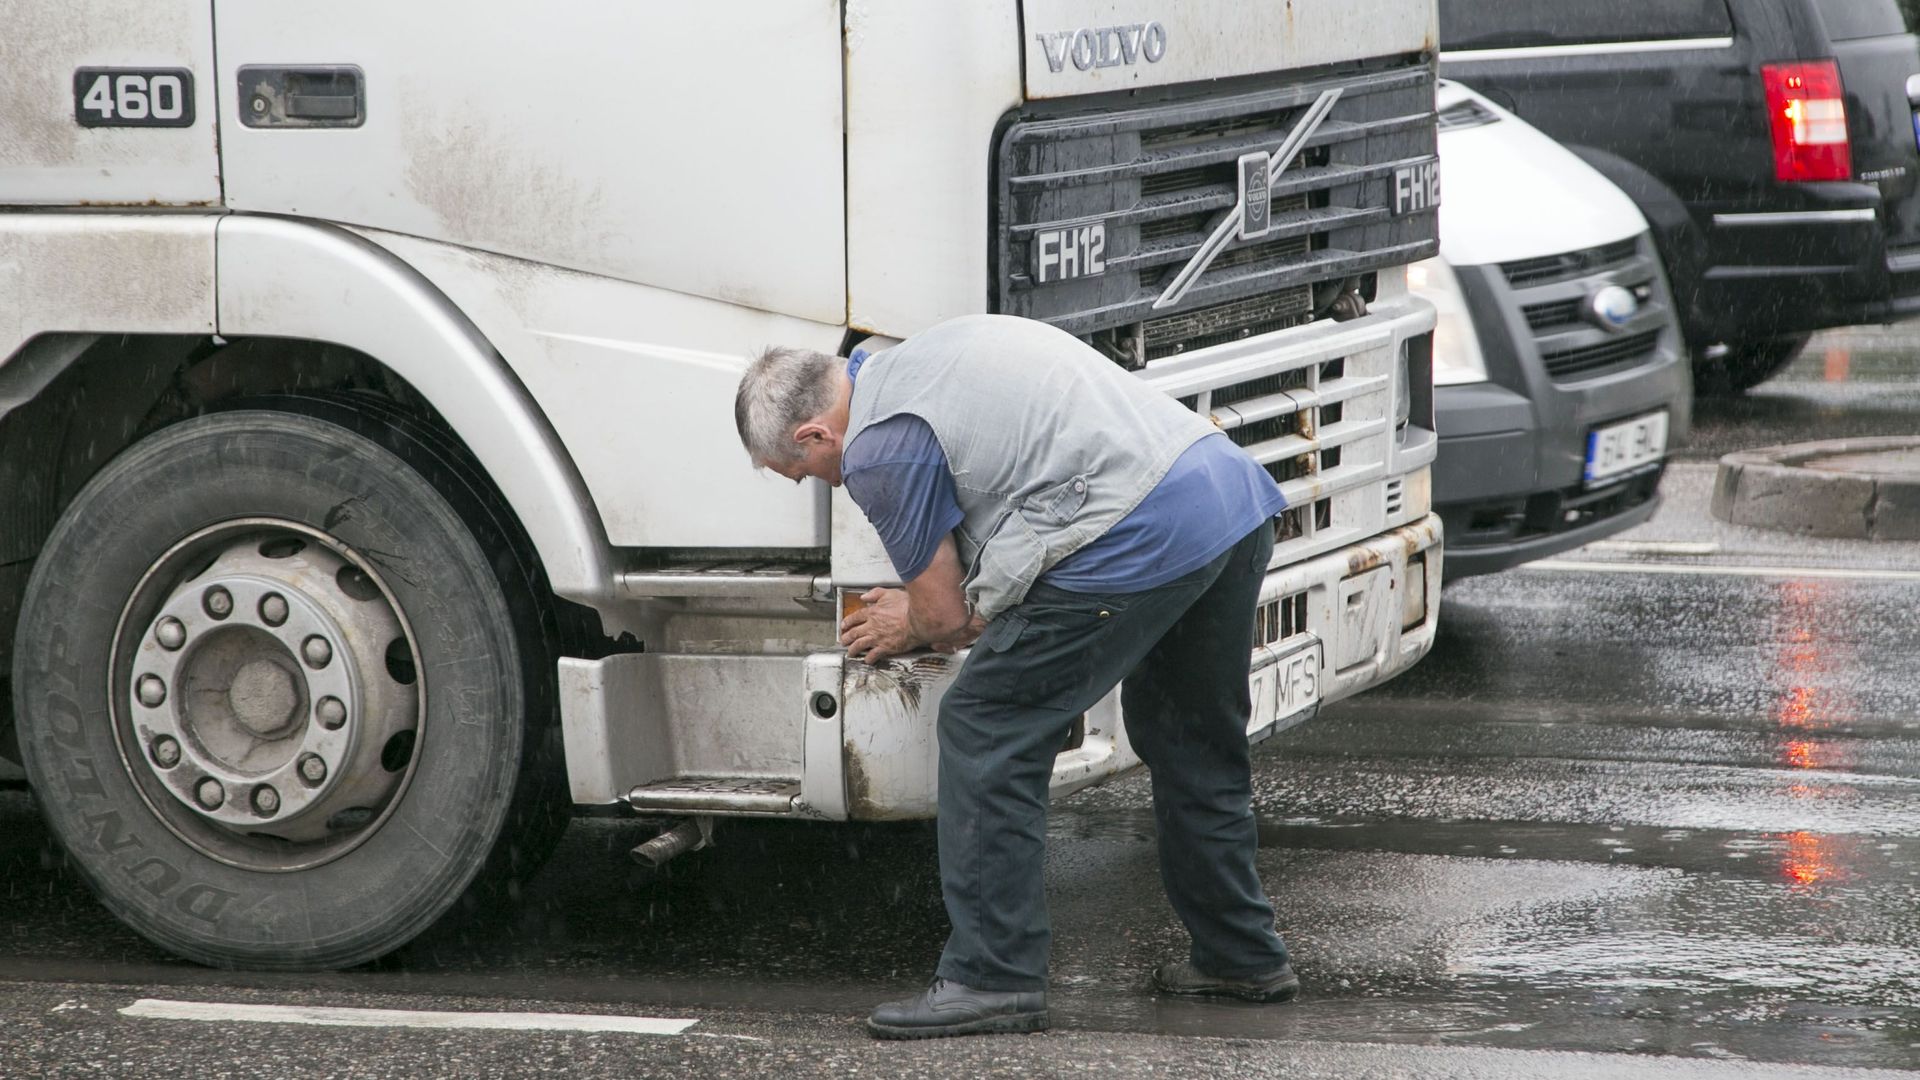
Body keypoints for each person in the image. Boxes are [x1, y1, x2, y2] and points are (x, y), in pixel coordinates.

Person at [733, 314, 1299, 1040]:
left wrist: (908, 620)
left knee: (984, 725)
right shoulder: (921, 353)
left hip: (1139, 529)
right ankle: (1240, 957)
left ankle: (991, 977)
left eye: (804, 471)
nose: (821, 480)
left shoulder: (877, 448)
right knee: (1193, 739)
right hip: (1225, 495)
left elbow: (946, 621)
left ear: (816, 435)